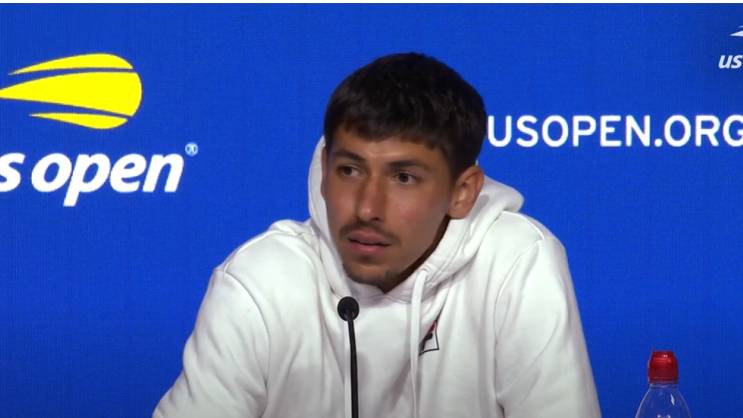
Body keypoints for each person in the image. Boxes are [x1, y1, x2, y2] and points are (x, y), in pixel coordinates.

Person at [154, 52, 601, 418]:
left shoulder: (517, 262)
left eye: (404, 178)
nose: (367, 208)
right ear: (325, 169)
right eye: (349, 170)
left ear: (462, 192)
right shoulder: (260, 280)